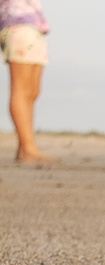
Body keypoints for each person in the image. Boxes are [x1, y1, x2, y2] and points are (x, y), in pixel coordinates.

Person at [0, 0, 52, 164]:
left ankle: (24, 147)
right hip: (17, 24)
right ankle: (28, 149)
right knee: (21, 90)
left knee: (32, 91)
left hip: (35, 27)